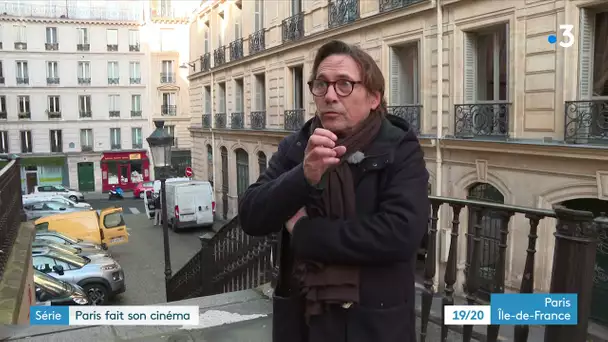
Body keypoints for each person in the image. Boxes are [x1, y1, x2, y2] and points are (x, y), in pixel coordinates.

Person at [238, 40, 429, 342]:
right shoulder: (297, 146)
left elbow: (400, 235)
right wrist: (304, 176)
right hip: (304, 323)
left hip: (374, 325)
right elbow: (251, 215)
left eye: (344, 85)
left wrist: (303, 232)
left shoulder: (398, 147)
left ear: (374, 98)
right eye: (321, 84)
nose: (329, 95)